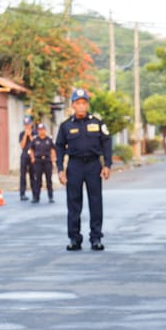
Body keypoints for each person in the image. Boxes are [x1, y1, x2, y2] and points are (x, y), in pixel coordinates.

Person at [55, 88, 112, 251]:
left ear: (87, 105)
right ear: (73, 105)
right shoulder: (66, 126)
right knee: (74, 203)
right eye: (77, 103)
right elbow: (59, 146)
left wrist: (107, 165)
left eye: (83, 103)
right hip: (75, 166)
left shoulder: (97, 123)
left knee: (95, 202)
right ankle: (74, 238)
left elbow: (106, 143)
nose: (81, 106)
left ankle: (96, 238)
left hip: (93, 166)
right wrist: (60, 169)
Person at [29, 123, 57, 204]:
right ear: (38, 131)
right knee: (37, 180)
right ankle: (36, 197)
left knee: (49, 180)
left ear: (45, 130)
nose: (41, 131)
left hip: (47, 161)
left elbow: (53, 150)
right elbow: (31, 149)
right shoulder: (35, 140)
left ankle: (50, 196)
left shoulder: (49, 139)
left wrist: (53, 159)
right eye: (40, 130)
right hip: (38, 161)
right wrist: (32, 158)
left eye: (43, 130)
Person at [18, 113, 35, 201]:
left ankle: (35, 194)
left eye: (28, 124)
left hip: (33, 156)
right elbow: (22, 145)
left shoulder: (35, 132)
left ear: (31, 124)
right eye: (25, 124)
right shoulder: (21, 134)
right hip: (24, 155)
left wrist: (30, 135)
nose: (27, 126)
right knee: (23, 175)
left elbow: (35, 144)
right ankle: (22, 193)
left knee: (33, 175)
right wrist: (25, 135)